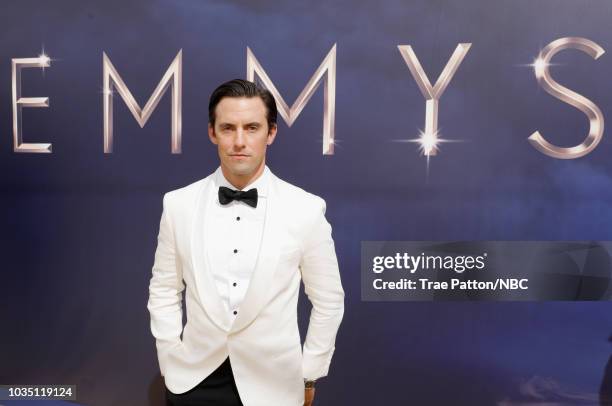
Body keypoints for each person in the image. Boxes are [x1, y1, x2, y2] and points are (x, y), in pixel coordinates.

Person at [147, 79, 345, 406]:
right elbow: (164, 288)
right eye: (228, 128)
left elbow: (329, 299)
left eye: (252, 128)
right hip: (192, 383)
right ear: (212, 133)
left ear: (271, 133)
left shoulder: (306, 209)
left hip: (275, 388)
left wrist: (308, 372)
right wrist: (169, 357)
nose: (240, 141)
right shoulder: (178, 204)